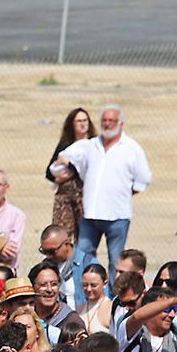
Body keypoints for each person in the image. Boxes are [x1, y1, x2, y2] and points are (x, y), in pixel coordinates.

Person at [54, 104, 151, 291]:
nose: (107, 124)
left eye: (111, 120)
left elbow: (143, 179)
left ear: (120, 123)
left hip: (117, 216)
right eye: (104, 121)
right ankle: (87, 295)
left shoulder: (132, 149)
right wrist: (66, 165)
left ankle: (115, 300)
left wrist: (124, 193)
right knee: (82, 257)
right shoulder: (91, 145)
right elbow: (66, 159)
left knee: (117, 262)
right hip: (90, 215)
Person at [46, 107, 95, 246]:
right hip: (65, 196)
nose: (82, 124)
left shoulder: (94, 143)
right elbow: (49, 171)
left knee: (85, 238)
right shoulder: (65, 144)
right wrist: (58, 178)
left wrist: (71, 167)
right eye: (79, 121)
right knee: (61, 235)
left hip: (85, 195)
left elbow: (92, 167)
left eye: (85, 120)